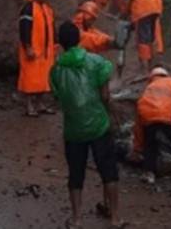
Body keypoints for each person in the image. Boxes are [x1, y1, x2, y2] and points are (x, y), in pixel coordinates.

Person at [49, 22, 124, 229]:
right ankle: (116, 217)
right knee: (108, 170)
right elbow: (105, 95)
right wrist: (112, 115)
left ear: (61, 43)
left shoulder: (56, 69)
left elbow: (58, 98)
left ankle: (76, 219)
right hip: (98, 125)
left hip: (73, 129)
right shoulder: (96, 62)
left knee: (76, 173)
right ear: (79, 39)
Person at [132, 67, 171, 184]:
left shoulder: (149, 88)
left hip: (148, 117)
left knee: (150, 145)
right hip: (168, 116)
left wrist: (137, 148)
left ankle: (149, 173)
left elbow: (138, 124)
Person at [113, 0, 164, 71]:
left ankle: (144, 69)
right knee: (152, 37)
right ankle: (155, 66)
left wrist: (124, 14)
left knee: (142, 39)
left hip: (143, 6)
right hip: (156, 4)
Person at [18, 0, 57, 117]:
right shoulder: (28, 8)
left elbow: (52, 28)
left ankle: (40, 104)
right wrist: (27, 46)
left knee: (43, 79)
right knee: (30, 79)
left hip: (46, 52)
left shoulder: (48, 9)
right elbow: (24, 28)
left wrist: (54, 46)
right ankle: (29, 106)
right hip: (32, 50)